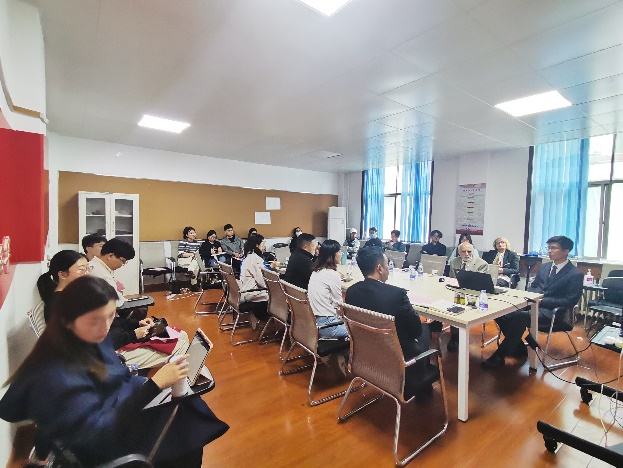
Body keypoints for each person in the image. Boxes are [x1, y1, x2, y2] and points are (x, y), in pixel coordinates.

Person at [0, 276, 228, 467]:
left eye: (110, 316)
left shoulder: (82, 340)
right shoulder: (56, 375)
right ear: (67, 321)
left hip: (118, 409)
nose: (105, 328)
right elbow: (102, 433)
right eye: (95, 321)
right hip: (107, 442)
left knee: (186, 408)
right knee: (187, 430)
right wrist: (153, 385)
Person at [481, 235, 584, 370]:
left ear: (566, 251)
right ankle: (518, 347)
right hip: (532, 305)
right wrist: (529, 297)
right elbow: (534, 286)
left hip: (553, 312)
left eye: (554, 248)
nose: (550, 251)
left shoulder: (575, 274)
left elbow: (570, 300)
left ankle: (500, 355)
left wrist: (543, 301)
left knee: (520, 317)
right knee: (501, 312)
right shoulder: (545, 267)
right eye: (549, 248)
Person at [345, 247, 433, 399]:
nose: (388, 269)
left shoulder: (351, 292)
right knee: (425, 329)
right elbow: (415, 331)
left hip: (366, 355)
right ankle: (421, 380)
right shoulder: (397, 295)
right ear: (379, 268)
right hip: (396, 359)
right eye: (387, 265)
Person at [90, 239, 189, 368]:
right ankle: (170, 378)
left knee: (180, 335)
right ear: (110, 255)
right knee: (180, 344)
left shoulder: (98, 270)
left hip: (116, 333)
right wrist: (134, 334)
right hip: (109, 353)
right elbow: (117, 309)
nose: (123, 264)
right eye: (123, 261)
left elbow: (113, 320)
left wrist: (136, 324)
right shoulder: (99, 277)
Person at [436, 241, 489, 352]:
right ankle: (440, 327)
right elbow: (451, 278)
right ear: (459, 252)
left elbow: (479, 283)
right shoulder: (454, 261)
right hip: (456, 291)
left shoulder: (481, 264)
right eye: (463, 252)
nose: (466, 254)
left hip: (473, 294)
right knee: (442, 301)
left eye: (469, 251)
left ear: (473, 251)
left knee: (457, 306)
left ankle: (455, 336)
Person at [308, 240, 348, 339]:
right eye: (339, 251)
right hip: (328, 326)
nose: (341, 254)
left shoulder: (316, 271)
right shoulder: (332, 274)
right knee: (360, 330)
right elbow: (338, 303)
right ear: (332, 255)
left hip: (313, 322)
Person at [36, 250, 89, 322]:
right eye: (81, 269)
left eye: (87, 268)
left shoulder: (72, 295)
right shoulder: (60, 302)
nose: (87, 273)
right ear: (62, 274)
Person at [239, 234, 270, 326]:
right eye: (262, 244)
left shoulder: (248, 257)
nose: (264, 246)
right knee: (279, 297)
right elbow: (262, 282)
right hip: (252, 293)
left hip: (245, 291)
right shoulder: (254, 259)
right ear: (257, 245)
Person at [178, 227, 201, 291]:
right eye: (191, 233)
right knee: (196, 263)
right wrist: (192, 255)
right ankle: (193, 285)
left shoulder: (197, 243)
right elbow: (181, 254)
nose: (193, 234)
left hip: (193, 261)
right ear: (187, 235)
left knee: (196, 263)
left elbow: (198, 254)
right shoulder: (182, 242)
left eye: (194, 232)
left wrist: (194, 255)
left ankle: (190, 271)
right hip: (183, 260)